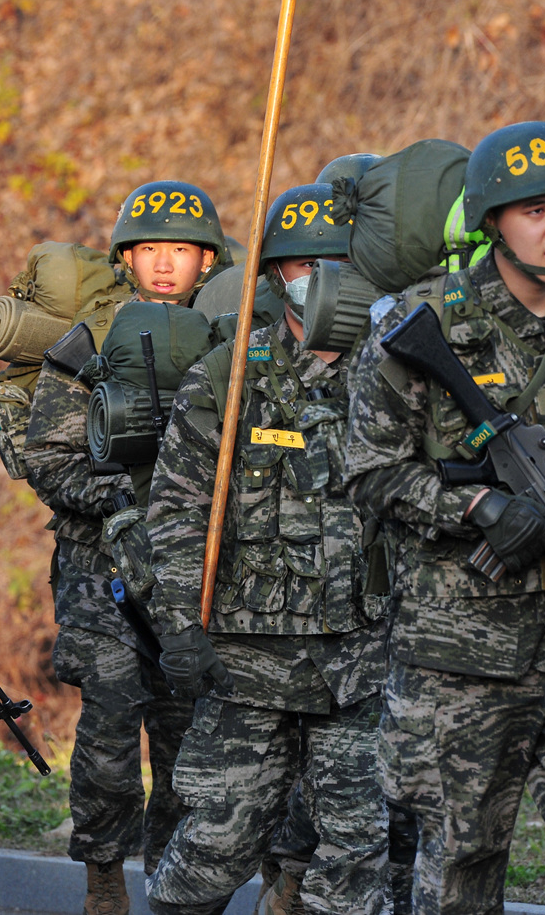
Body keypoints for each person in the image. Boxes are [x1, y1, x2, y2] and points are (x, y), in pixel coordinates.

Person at [346, 120, 545, 915]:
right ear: (492, 220)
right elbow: (366, 473)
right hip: (462, 659)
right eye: (535, 212)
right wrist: (477, 505)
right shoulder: (422, 326)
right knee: (460, 870)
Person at [141, 179, 394, 915]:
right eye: (300, 262)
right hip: (249, 660)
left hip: (359, 662)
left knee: (355, 853)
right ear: (274, 274)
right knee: (214, 844)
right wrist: (182, 623)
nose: (317, 278)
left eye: (333, 261)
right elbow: (178, 509)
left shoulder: (394, 370)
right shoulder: (229, 375)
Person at [24, 180, 225, 915]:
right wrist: (114, 500)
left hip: (194, 574)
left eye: (181, 249)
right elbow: (46, 457)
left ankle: (172, 880)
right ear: (126, 259)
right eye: (150, 249)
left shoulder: (229, 342)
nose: (166, 263)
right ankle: (103, 874)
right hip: (102, 573)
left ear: (208, 259)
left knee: (187, 737)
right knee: (109, 740)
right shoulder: (89, 342)